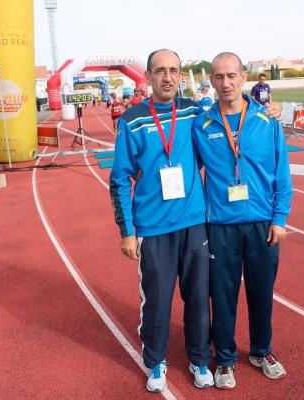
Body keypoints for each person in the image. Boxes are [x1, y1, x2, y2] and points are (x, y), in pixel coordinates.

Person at [109, 49, 214, 393]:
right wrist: (128, 232)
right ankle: (155, 361)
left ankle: (199, 358)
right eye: (160, 71)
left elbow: (230, 122)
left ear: (181, 75)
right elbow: (120, 178)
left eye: (173, 71)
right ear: (149, 77)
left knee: (198, 297)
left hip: (194, 223)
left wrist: (264, 110)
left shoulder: (195, 112)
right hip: (153, 229)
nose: (167, 77)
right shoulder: (133, 120)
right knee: (156, 301)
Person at [192, 52, 292, 390]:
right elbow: (188, 169)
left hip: (263, 224)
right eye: (219, 77)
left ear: (244, 77)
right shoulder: (202, 125)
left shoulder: (267, 121)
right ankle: (225, 358)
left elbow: (282, 174)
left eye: (232, 75)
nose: (226, 83)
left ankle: (261, 351)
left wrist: (280, 218)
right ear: (211, 81)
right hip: (220, 226)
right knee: (223, 296)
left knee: (262, 292)